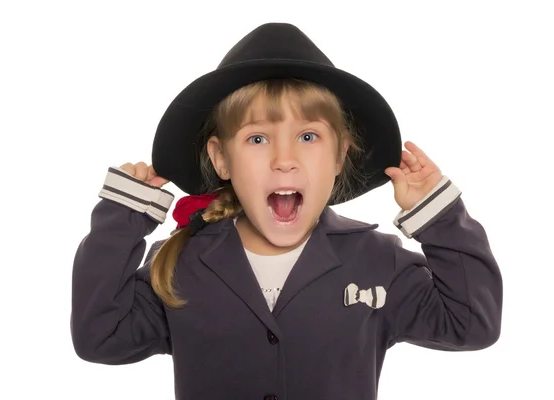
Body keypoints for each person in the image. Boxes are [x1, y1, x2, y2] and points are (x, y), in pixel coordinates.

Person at [70, 23, 503, 400]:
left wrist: (439, 215)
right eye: (257, 139)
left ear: (340, 156)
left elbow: (472, 323)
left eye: (309, 137)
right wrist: (123, 217)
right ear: (222, 160)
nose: (284, 159)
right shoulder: (180, 263)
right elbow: (99, 338)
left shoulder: (378, 260)